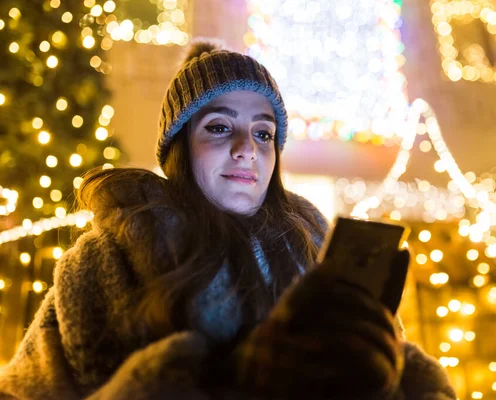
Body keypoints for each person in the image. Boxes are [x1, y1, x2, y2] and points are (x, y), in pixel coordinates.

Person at [0, 38, 456, 399]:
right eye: (219, 127)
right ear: (179, 144)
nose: (247, 149)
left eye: (263, 133)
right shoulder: (106, 255)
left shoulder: (315, 248)